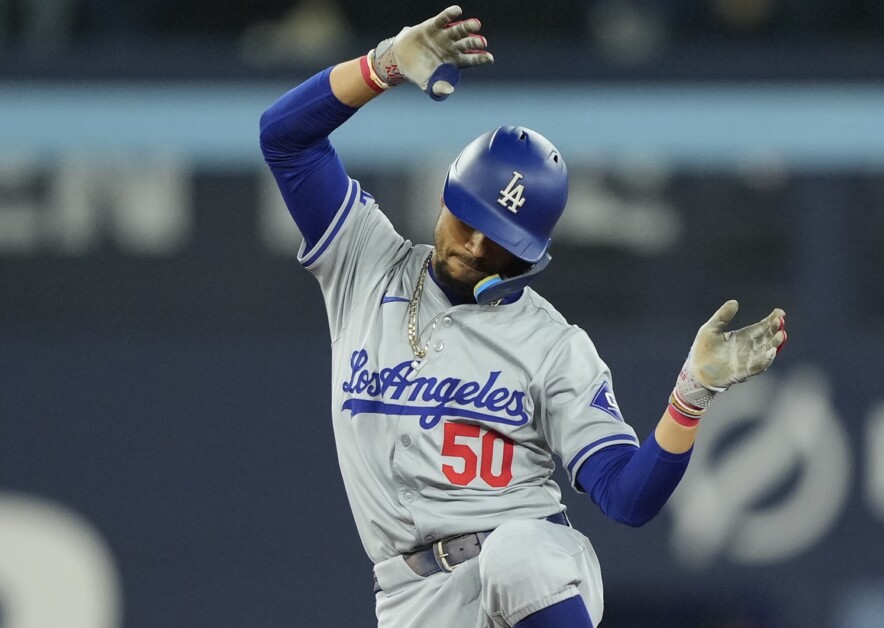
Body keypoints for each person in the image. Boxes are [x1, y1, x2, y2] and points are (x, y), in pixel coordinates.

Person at [259, 6, 787, 627]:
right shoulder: (365, 264)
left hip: (535, 575)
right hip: (410, 598)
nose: (476, 246)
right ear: (446, 194)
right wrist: (383, 67)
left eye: (501, 239)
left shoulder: (552, 345)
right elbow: (283, 136)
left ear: (532, 255)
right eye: (470, 221)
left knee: (516, 552)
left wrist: (690, 397)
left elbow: (627, 497)